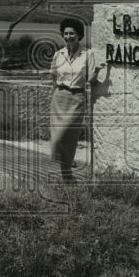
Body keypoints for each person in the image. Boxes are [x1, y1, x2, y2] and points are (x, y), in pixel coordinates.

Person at [48, 18, 106, 183]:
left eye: (71, 33)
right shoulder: (58, 54)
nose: (68, 36)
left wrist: (99, 71)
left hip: (77, 98)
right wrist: (53, 96)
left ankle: (67, 166)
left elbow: (91, 80)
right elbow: (53, 77)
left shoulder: (87, 55)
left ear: (79, 34)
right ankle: (67, 174)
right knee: (57, 138)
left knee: (68, 135)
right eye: (65, 33)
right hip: (59, 98)